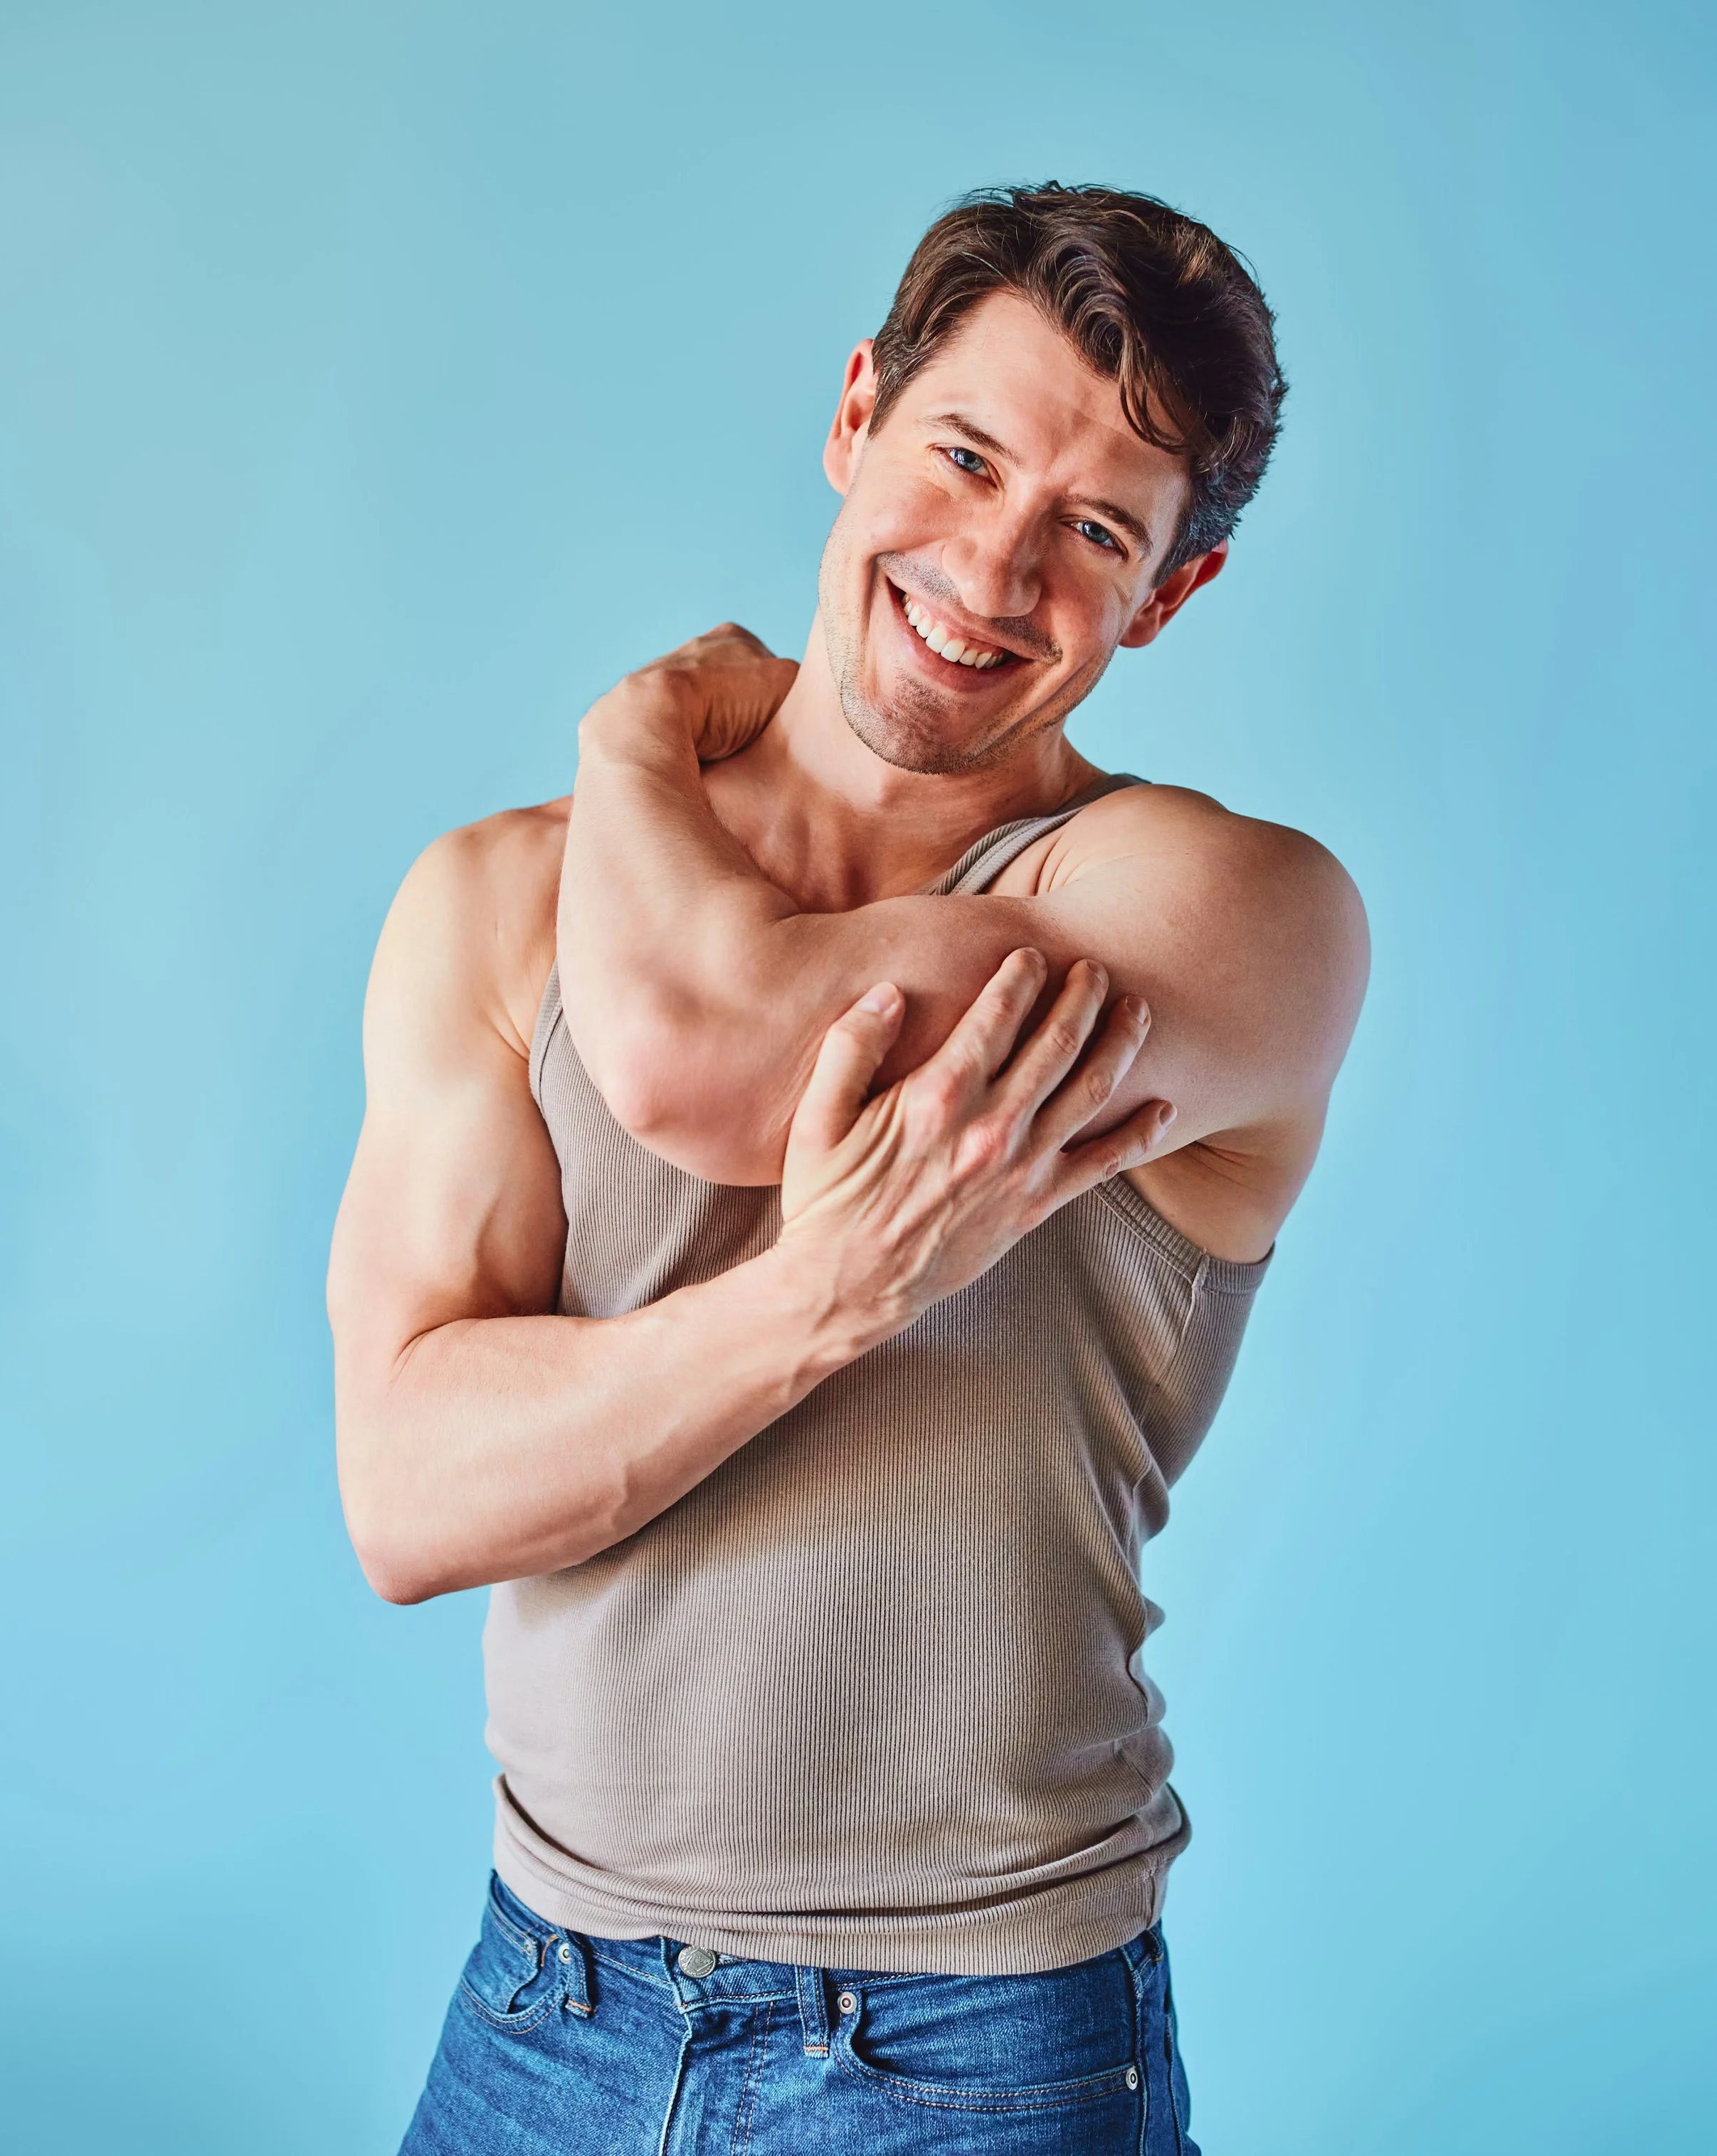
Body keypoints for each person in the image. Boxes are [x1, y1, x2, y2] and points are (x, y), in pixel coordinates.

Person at [328, 183, 1369, 2155]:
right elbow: (406, 1494)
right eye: (963, 456)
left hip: (978, 2039)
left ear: (1169, 596)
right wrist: (819, 1295)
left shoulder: (1213, 914)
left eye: (1094, 531)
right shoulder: (496, 900)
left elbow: (699, 1056)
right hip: (543, 2007)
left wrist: (634, 742)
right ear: (854, 413)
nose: (990, 568)